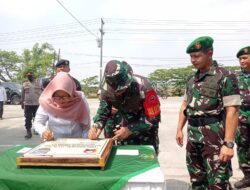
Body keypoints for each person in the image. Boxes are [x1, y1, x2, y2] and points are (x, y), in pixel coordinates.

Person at [175, 36, 241, 189]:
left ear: (210, 53)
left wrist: (229, 144)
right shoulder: (192, 79)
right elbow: (185, 104)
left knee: (218, 182)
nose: (193, 60)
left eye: (197, 56)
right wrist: (179, 128)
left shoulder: (225, 76)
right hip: (193, 135)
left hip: (214, 137)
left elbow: (232, 110)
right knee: (197, 180)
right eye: (191, 56)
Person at [88, 60, 161, 153]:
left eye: (120, 89)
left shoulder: (145, 87)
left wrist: (130, 129)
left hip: (145, 138)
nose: (117, 94)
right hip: (123, 137)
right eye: (114, 91)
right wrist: (97, 126)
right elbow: (103, 112)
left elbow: (154, 118)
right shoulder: (106, 90)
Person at [34, 72, 90, 141]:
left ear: (71, 93)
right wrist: (43, 132)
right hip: (54, 141)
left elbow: (87, 125)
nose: (60, 100)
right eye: (56, 96)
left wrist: (85, 139)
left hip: (76, 141)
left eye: (64, 97)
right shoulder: (46, 101)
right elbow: (38, 123)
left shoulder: (79, 99)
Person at [234, 46, 250, 189]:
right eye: (240, 59)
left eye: (244, 58)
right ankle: (247, 177)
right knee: (243, 148)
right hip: (242, 119)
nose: (241, 61)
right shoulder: (236, 77)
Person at [21, 71, 42, 139]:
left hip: (37, 104)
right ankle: (28, 132)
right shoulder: (24, 84)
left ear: (33, 76)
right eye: (28, 76)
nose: (29, 76)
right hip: (28, 104)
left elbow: (43, 93)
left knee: (36, 118)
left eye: (31, 75)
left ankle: (35, 129)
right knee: (28, 118)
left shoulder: (39, 83)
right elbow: (22, 94)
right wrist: (22, 102)